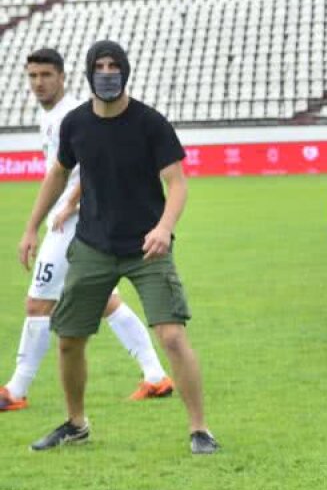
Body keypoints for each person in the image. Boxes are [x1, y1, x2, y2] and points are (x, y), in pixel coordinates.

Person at [17, 40, 219, 455]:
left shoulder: (149, 122)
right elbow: (58, 175)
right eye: (100, 66)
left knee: (173, 336)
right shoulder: (76, 124)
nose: (107, 72)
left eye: (114, 66)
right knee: (69, 338)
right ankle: (76, 424)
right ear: (89, 72)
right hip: (92, 245)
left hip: (148, 248)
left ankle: (200, 429)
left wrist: (164, 228)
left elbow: (177, 182)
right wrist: (31, 227)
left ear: (125, 71)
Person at [1, 48, 172, 414]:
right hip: (80, 222)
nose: (38, 83)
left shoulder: (75, 115)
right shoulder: (51, 117)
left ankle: (16, 389)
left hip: (75, 223)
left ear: (63, 77)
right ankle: (156, 375)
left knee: (38, 302)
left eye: (46, 75)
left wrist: (70, 204)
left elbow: (89, 168)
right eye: (32, 76)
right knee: (107, 302)